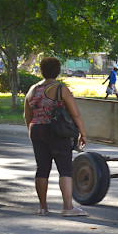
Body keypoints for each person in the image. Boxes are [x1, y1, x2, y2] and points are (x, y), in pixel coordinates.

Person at [24, 57, 89, 218]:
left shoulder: (32, 90)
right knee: (65, 168)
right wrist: (83, 133)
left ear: (42, 71)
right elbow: (76, 114)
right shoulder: (60, 89)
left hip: (36, 130)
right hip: (56, 132)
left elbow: (27, 115)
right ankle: (68, 207)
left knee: (42, 168)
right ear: (58, 71)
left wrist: (32, 132)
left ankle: (43, 207)